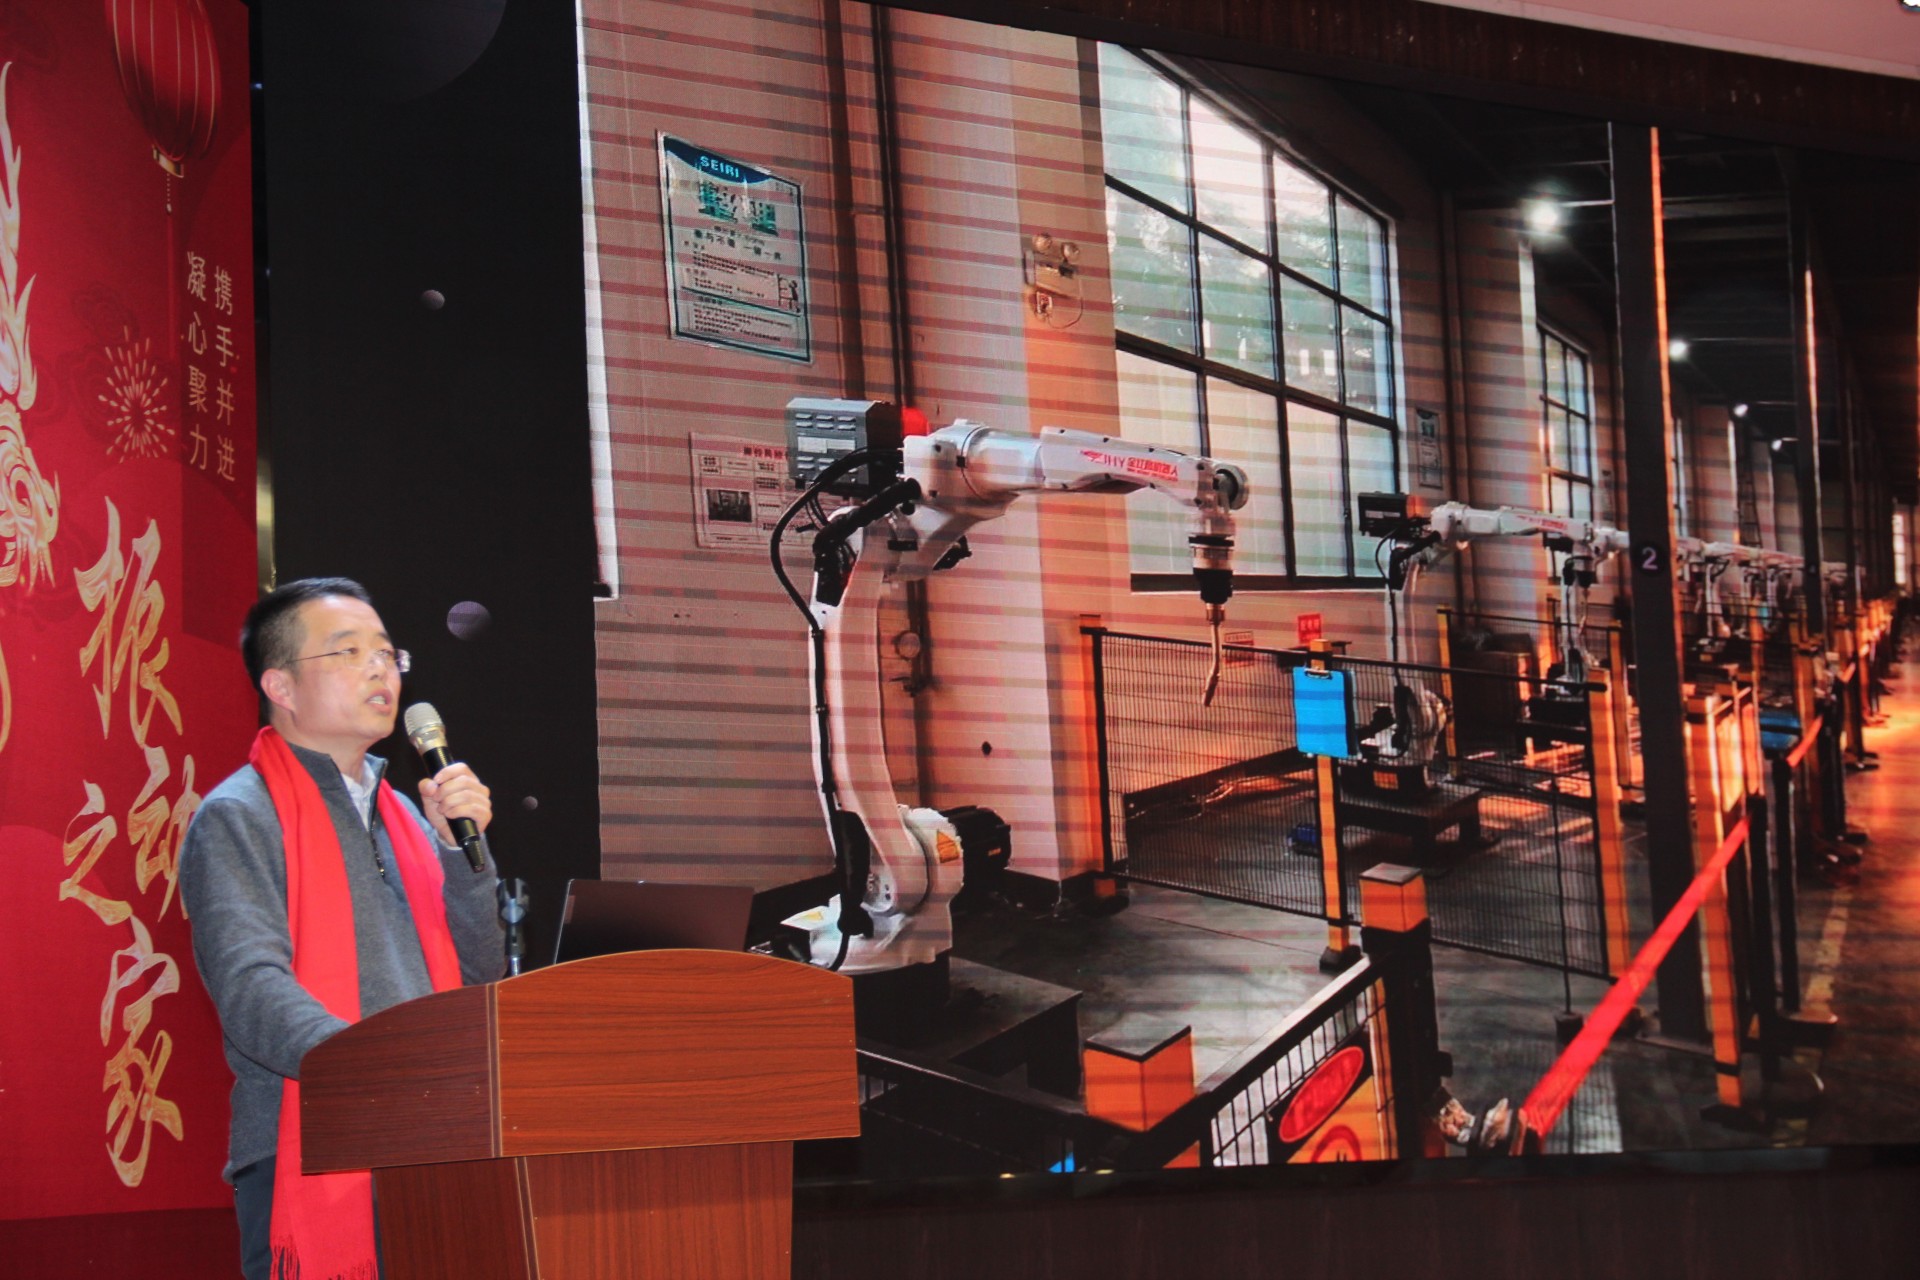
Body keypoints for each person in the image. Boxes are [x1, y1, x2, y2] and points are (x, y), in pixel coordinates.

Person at [179, 578, 506, 1280]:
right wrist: (378, 1070)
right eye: (348, 652)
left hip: (432, 1144)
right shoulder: (239, 815)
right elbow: (251, 988)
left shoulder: (409, 817)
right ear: (281, 686)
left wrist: (459, 853)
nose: (379, 670)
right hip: (309, 1145)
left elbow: (478, 977)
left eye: (387, 654)